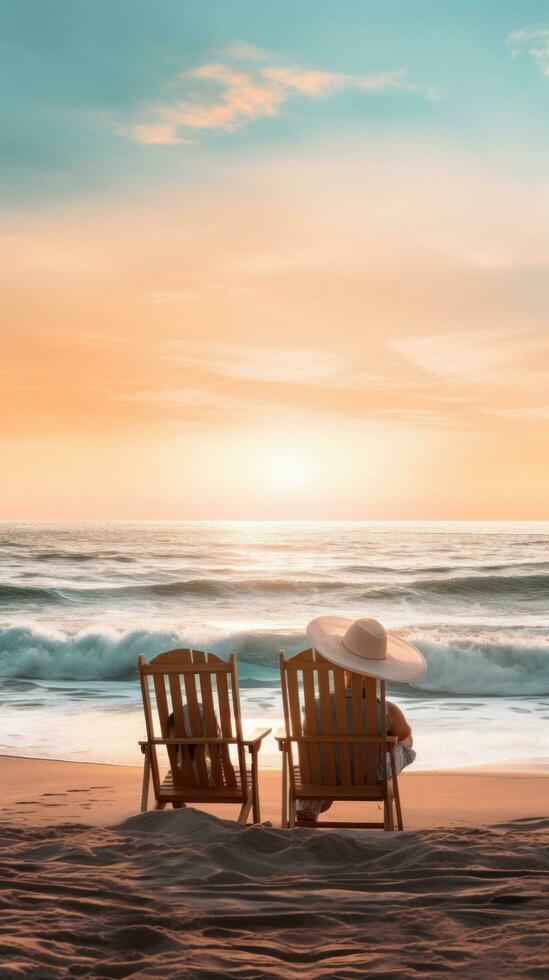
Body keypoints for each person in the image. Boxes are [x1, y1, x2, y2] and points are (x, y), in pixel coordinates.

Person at [294, 615, 425, 824]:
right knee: (403, 742)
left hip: (324, 774)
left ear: (341, 665)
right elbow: (404, 736)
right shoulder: (387, 711)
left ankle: (308, 810)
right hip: (371, 774)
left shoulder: (314, 707)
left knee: (319, 758)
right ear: (379, 672)